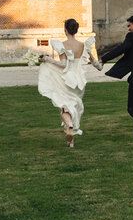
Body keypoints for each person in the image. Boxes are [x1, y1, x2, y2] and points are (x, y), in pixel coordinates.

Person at [37, 18, 103, 147]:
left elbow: (63, 64)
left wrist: (48, 60)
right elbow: (95, 63)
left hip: (66, 80)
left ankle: (70, 125)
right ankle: (71, 141)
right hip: (79, 82)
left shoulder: (62, 45)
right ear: (76, 30)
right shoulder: (84, 45)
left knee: (64, 106)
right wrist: (100, 66)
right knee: (72, 105)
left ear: (65, 30)